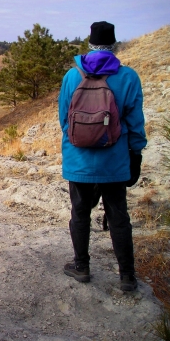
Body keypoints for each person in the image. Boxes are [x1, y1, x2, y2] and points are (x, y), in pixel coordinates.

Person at [58, 21, 147, 291]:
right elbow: (135, 122)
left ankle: (81, 267)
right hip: (115, 162)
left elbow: (64, 119)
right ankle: (127, 276)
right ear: (114, 45)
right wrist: (135, 153)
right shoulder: (128, 77)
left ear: (89, 44)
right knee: (119, 217)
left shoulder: (72, 76)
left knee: (80, 213)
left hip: (80, 161)